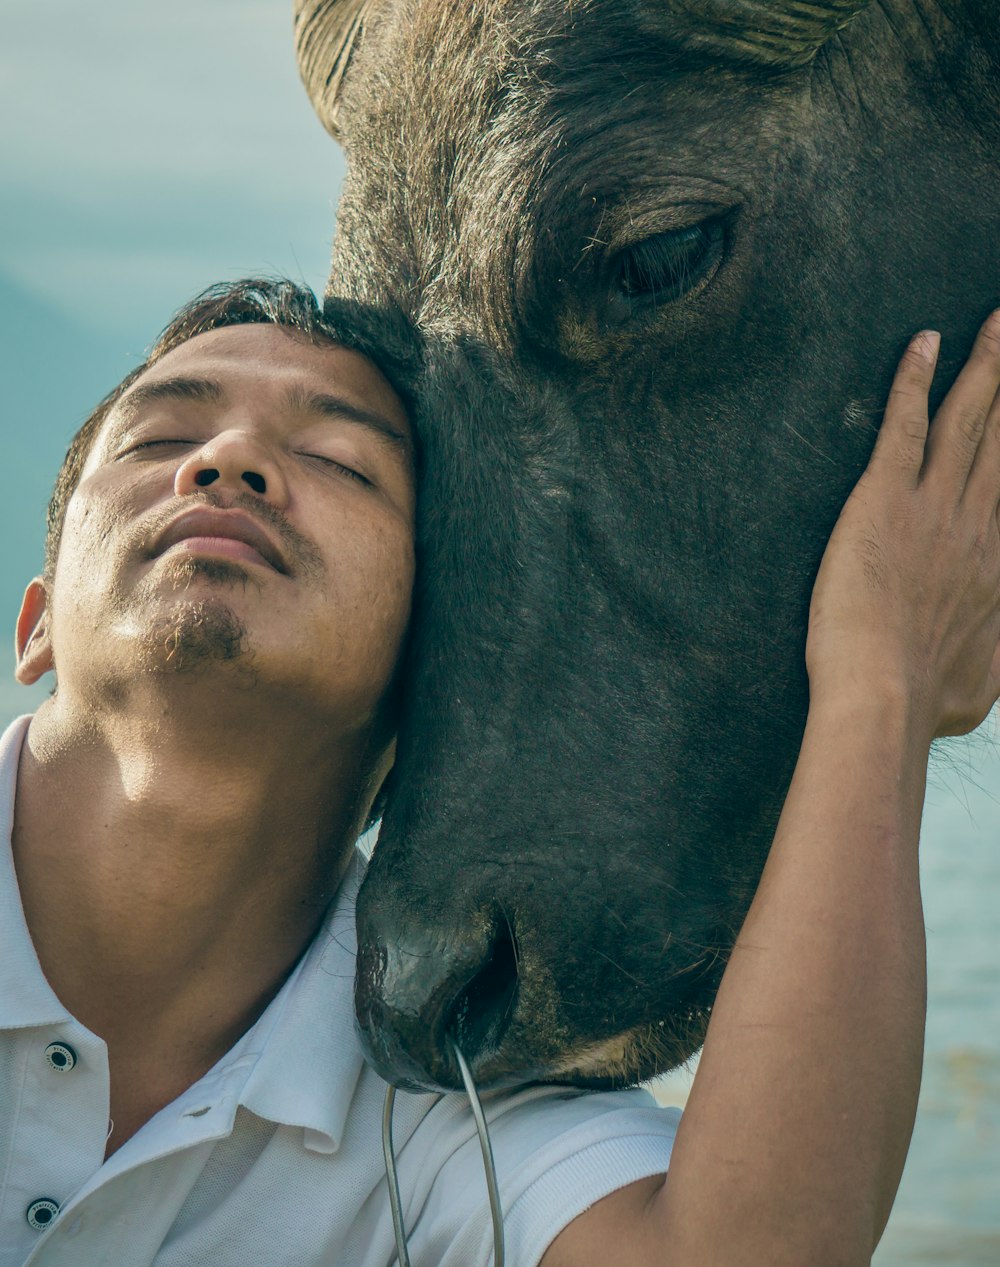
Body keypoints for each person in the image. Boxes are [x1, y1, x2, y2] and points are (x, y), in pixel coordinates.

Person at [3, 276, 998, 1267]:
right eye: (160, 440)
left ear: (434, 661)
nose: (230, 462)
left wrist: (878, 689)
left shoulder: (438, 1095)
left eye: (338, 460)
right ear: (37, 621)